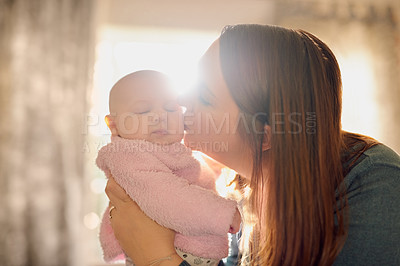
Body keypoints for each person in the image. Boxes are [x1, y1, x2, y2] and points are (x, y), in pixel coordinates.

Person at [105, 25, 400, 265]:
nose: (181, 102)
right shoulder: (243, 190)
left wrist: (158, 258)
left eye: (205, 97)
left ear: (265, 136)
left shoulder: (377, 187)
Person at [97, 70, 241, 266]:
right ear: (113, 125)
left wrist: (214, 171)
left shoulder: (163, 149)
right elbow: (166, 194)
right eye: (143, 111)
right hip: (178, 252)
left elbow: (190, 174)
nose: (160, 116)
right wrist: (223, 213)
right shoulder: (127, 155)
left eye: (171, 109)